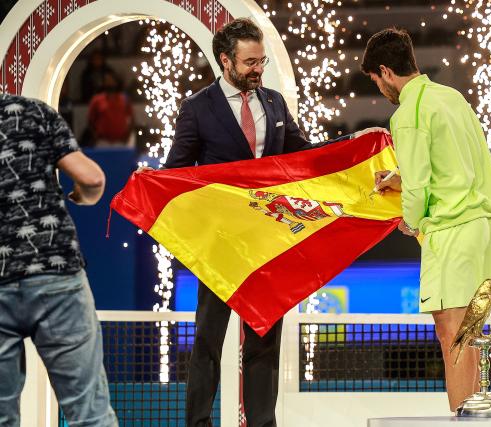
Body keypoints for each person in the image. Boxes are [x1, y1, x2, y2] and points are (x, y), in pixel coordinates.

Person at [141, 17, 384, 427]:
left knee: (264, 343)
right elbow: (176, 174)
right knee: (206, 343)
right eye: (250, 62)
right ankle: (198, 423)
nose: (258, 69)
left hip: (266, 244)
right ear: (225, 60)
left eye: (262, 61)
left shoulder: (272, 102)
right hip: (217, 246)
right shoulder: (196, 109)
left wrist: (353, 143)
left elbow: (305, 159)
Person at [361, 29, 491, 412]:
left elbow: (420, 184)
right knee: (467, 335)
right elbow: (455, 165)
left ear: (386, 71)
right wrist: (399, 177)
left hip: (451, 231)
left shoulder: (408, 113)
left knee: (453, 335)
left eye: (375, 80)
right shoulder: (450, 98)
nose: (379, 88)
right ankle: (472, 416)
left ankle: (463, 419)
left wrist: (412, 219)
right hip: (484, 230)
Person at [0, 93, 118, 426]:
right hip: (55, 274)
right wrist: (82, 196)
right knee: (89, 413)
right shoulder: (32, 111)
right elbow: (92, 178)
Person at [87, 71, 134, 147]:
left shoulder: (124, 99)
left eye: (111, 80)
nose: (109, 82)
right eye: (107, 80)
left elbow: (131, 119)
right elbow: (90, 120)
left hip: (121, 141)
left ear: (116, 82)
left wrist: (127, 136)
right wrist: (95, 136)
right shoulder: (96, 100)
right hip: (102, 141)